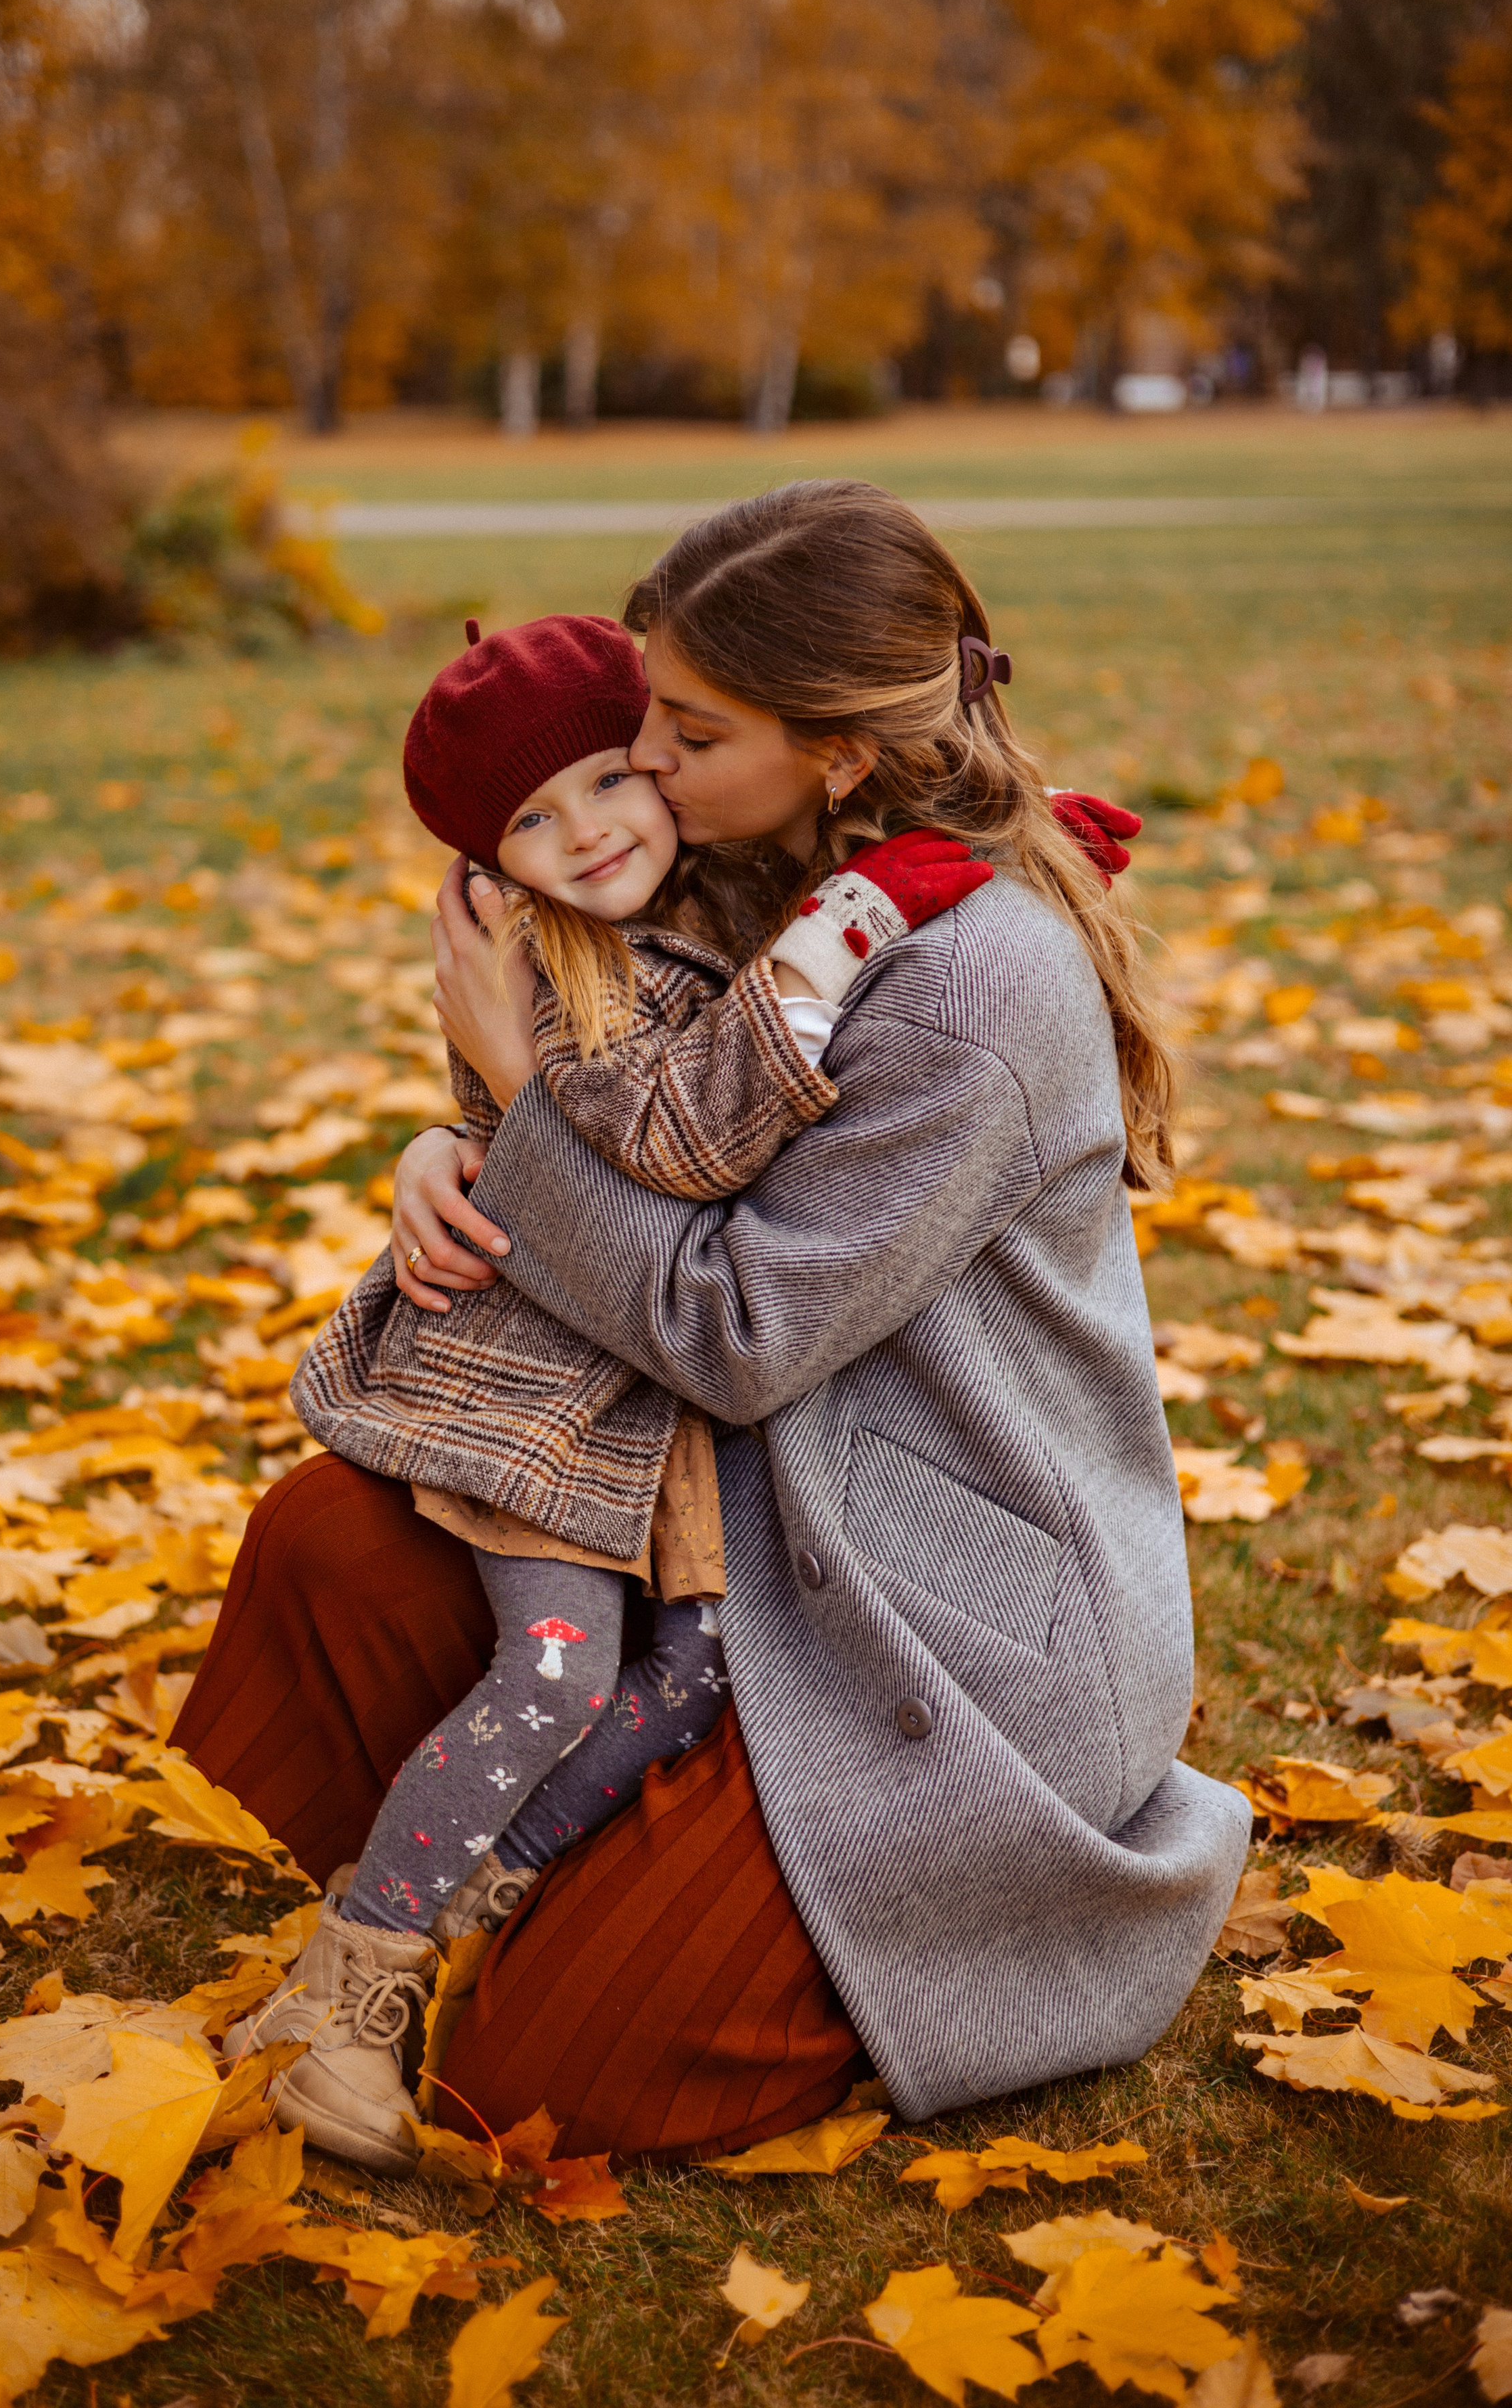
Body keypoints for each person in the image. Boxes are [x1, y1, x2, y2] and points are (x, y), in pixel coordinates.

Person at [175, 478, 1249, 2170]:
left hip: (932, 1604)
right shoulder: (748, 876)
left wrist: (518, 1105)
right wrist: (447, 1147)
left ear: (833, 748)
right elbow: (636, 1112)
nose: (640, 763)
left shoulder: (967, 991)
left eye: (684, 727)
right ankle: (506, 1863)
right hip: (716, 1491)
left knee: (545, 2083)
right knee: (330, 1536)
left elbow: (729, 1323)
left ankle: (650, 1890)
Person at [231, 610, 988, 2171]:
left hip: (645, 1422)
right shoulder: (573, 970)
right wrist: (849, 922)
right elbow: (684, 1140)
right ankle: (354, 1981)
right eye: (528, 818)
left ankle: (483, 1882)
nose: (582, 833)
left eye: (604, 781)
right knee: (562, 1673)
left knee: (701, 1664)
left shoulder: (684, 924)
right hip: (535, 1404)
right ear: (484, 862)